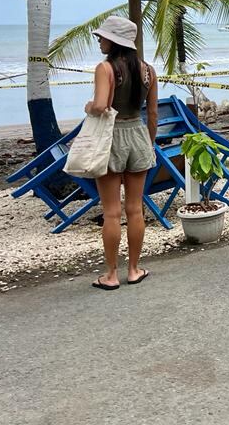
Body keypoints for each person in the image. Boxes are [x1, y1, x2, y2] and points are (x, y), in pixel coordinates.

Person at [85, 16, 158, 291]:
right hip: (138, 134)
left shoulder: (105, 68)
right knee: (135, 209)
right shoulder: (148, 71)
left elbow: (102, 106)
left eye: (102, 37)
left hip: (112, 138)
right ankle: (135, 269)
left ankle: (111, 274)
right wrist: (148, 142)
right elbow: (152, 113)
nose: (99, 40)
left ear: (114, 41)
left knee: (112, 212)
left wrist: (89, 106)